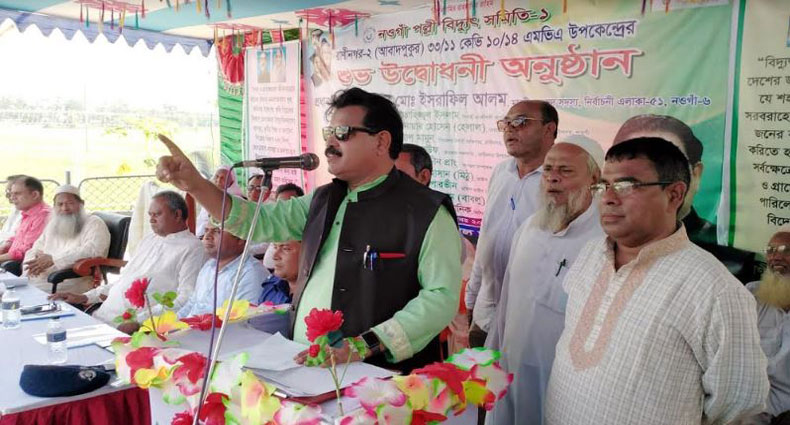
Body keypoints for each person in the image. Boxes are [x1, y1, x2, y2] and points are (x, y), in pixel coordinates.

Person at [156, 87, 461, 373]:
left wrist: (364, 345)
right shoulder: (323, 199)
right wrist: (195, 184)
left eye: (343, 133)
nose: (329, 145)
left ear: (381, 142)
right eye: (329, 133)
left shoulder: (426, 211)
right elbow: (257, 221)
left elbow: (440, 298)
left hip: (380, 380)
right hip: (306, 368)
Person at [544, 138, 768, 425]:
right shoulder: (590, 253)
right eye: (602, 186)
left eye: (626, 186)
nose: (608, 198)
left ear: (674, 194)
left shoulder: (714, 288)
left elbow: (740, 399)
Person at [485, 136, 605, 425]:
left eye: (565, 171)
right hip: (511, 366)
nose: (552, 178)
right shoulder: (530, 228)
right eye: (548, 170)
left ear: (594, 179)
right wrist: (491, 356)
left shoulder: (603, 243)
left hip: (563, 382)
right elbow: (507, 301)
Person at [613, 114, 759, 282]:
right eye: (632, 173)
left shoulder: (731, 261)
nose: (652, 183)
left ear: (696, 175)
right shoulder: (600, 247)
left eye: (667, 167)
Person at [466, 100, 558, 347]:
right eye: (506, 123)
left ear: (549, 129)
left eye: (520, 122)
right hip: (486, 315)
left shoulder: (559, 181)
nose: (509, 129)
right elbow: (487, 235)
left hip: (528, 322)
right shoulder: (501, 172)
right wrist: (472, 297)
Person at [50, 191, 206, 333]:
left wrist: (140, 322)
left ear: (177, 215)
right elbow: (124, 280)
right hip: (102, 316)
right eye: (150, 215)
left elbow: (186, 298)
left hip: (135, 328)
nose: (151, 220)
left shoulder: (192, 248)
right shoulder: (149, 240)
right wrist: (85, 297)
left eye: (157, 214)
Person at [395, 143, 473, 355]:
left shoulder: (438, 222)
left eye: (399, 175)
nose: (390, 184)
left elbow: (441, 297)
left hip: (418, 338)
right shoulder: (384, 215)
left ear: (423, 176)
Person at [742, 225, 790, 425]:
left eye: (786, 250)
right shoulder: (751, 295)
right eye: (771, 250)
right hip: (750, 398)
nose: (776, 257)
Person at [23, 185, 111, 294]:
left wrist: (54, 259)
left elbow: (93, 251)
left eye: (70, 203)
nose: (64, 208)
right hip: (41, 276)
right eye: (60, 204)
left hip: (69, 280)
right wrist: (32, 266)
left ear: (81, 204)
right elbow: (36, 247)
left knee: (25, 293)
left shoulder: (94, 223)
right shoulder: (54, 223)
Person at [177, 223, 269, 318]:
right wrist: (173, 323)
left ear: (240, 238)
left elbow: (242, 321)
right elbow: (192, 304)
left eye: (217, 231)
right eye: (206, 231)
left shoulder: (251, 273)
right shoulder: (209, 266)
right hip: (191, 325)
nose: (207, 237)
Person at [0, 176, 51, 263]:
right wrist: (8, 244)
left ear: (34, 195)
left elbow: (27, 250)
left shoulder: (42, 216)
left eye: (17, 194)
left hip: (21, 264)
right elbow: (19, 238)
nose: (12, 197)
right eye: (11, 194)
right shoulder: (28, 213)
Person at [260, 183, 305, 266]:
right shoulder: (275, 227)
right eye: (279, 204)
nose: (283, 208)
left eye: (288, 203)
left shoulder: (305, 232)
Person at [196, 166, 244, 237]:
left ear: (231, 181)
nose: (218, 180)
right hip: (202, 234)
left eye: (223, 178)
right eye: (217, 176)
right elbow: (201, 219)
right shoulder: (208, 195)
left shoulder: (236, 200)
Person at [259, 240, 301, 306]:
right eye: (275, 247)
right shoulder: (271, 287)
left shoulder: (316, 294)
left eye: (285, 249)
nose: (275, 256)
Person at [0, 175, 24, 245]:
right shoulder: (16, 208)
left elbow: (14, 240)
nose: (7, 195)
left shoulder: (32, 214)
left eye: (10, 191)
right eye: (7, 191)